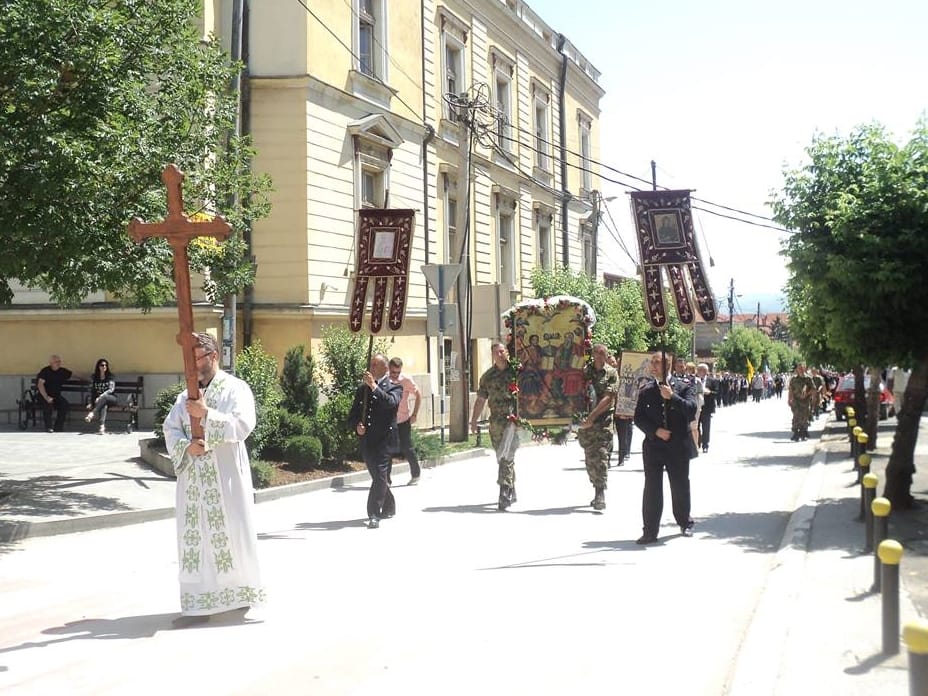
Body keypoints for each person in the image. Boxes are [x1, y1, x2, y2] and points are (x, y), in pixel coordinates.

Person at [162, 332, 264, 626]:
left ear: (213, 356)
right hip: (194, 482)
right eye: (188, 362)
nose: (192, 367)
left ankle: (239, 595)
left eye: (196, 359)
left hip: (225, 479)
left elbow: (243, 425)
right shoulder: (184, 397)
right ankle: (197, 606)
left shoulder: (235, 388)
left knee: (233, 532)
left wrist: (207, 415)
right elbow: (171, 429)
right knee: (197, 541)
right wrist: (186, 446)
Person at [633, 352, 697, 544]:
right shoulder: (646, 390)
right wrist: (655, 431)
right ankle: (650, 530)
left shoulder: (684, 386)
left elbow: (691, 410)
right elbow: (639, 417)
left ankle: (685, 522)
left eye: (656, 363)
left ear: (666, 366)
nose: (652, 366)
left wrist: (672, 397)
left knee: (679, 486)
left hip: (677, 446)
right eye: (652, 362)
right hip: (654, 447)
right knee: (652, 488)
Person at [347, 353, 403, 529]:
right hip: (368, 440)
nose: (371, 368)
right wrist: (357, 426)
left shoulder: (395, 387)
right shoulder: (362, 390)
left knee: (379, 476)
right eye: (371, 364)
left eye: (375, 365)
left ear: (385, 368)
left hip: (384, 441)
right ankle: (389, 504)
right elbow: (353, 415)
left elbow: (390, 403)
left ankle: (373, 514)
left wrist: (373, 386)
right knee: (378, 477)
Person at [470, 342, 519, 511]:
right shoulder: (487, 377)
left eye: (502, 351)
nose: (499, 354)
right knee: (502, 456)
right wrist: (474, 420)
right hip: (496, 422)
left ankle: (504, 492)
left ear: (507, 352)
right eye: (496, 352)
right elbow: (481, 399)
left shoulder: (516, 372)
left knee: (506, 455)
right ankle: (511, 487)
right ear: (492, 355)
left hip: (513, 421)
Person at [577, 344, 618, 510]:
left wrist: (592, 417)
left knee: (600, 454)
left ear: (606, 355)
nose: (600, 356)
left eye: (603, 353)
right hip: (586, 423)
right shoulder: (585, 372)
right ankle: (596, 485)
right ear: (593, 354)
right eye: (597, 353)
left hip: (603, 421)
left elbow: (608, 398)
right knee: (589, 456)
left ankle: (600, 492)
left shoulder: (611, 373)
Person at [388, 356, 422, 485]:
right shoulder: (385, 379)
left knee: (407, 447)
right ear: (389, 369)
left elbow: (418, 394)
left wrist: (414, 414)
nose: (395, 375)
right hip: (388, 421)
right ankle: (387, 479)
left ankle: (416, 474)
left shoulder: (406, 380)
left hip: (403, 419)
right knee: (388, 450)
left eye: (398, 372)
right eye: (393, 372)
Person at [36, 354, 75, 432]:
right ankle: (49, 427)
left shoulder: (62, 371)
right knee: (48, 404)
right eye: (56, 362)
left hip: (56, 396)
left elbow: (74, 374)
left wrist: (88, 378)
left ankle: (58, 427)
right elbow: (40, 384)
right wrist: (46, 397)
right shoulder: (45, 371)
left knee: (64, 404)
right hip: (43, 395)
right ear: (51, 363)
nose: (58, 363)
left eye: (59, 361)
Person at [84, 358, 117, 434]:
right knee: (103, 405)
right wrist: (89, 402)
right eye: (102, 365)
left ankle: (92, 413)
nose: (104, 367)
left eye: (106, 365)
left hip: (111, 398)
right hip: (99, 401)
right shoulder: (94, 377)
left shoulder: (110, 377)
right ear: (98, 367)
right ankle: (102, 426)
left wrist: (101, 396)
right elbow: (91, 390)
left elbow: (111, 390)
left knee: (104, 398)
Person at [787, 363, 815, 441]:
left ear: (804, 369)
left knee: (804, 417)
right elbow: (790, 390)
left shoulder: (808, 378)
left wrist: (807, 394)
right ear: (797, 369)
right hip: (796, 400)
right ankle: (796, 433)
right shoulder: (793, 379)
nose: (800, 370)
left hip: (805, 401)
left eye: (802, 368)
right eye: (799, 368)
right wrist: (789, 399)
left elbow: (813, 389)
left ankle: (803, 433)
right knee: (796, 416)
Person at [697, 363, 718, 453]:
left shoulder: (712, 381)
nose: (700, 372)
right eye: (699, 370)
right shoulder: (695, 380)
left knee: (706, 427)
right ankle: (698, 443)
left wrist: (709, 392)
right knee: (696, 427)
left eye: (702, 370)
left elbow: (717, 393)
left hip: (707, 407)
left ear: (706, 371)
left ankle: (705, 445)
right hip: (696, 407)